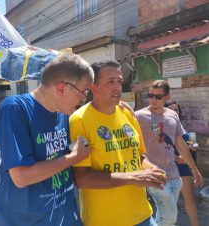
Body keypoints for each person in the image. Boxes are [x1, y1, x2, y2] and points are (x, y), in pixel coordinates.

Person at [0, 54, 94, 226]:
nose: (84, 98)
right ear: (61, 89)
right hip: (25, 221)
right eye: (83, 91)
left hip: (65, 216)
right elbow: (21, 177)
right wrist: (73, 157)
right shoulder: (15, 108)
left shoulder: (63, 112)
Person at [69, 60, 166, 226]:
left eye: (119, 81)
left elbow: (140, 156)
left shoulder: (127, 114)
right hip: (105, 220)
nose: (118, 87)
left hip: (143, 215)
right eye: (110, 82)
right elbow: (81, 178)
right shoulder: (79, 120)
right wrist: (132, 177)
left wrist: (151, 170)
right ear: (93, 86)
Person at [135, 80, 203, 226]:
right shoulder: (139, 116)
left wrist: (195, 170)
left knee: (163, 216)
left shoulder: (172, 115)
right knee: (170, 218)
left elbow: (180, 143)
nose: (153, 100)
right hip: (155, 175)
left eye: (158, 97)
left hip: (174, 175)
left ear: (167, 97)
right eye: (150, 95)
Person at [164, 100, 199, 226]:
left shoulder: (180, 125)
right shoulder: (160, 125)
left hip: (183, 166)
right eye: (171, 109)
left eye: (177, 109)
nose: (175, 111)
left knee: (190, 199)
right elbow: (156, 147)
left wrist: (191, 146)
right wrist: (175, 157)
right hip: (168, 166)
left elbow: (183, 144)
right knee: (169, 202)